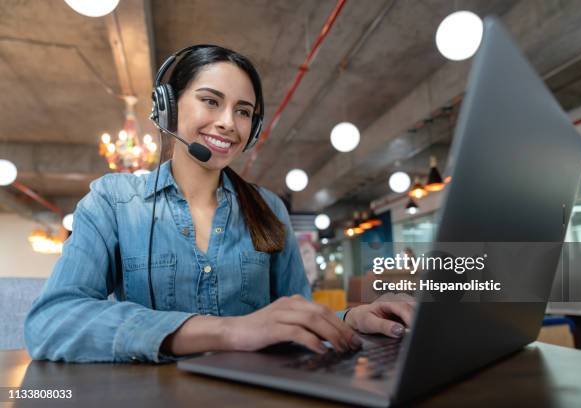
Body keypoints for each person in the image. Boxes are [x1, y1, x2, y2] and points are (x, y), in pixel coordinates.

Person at [24, 45, 414, 363]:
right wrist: (227, 330)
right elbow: (51, 322)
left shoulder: (269, 208)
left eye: (243, 111)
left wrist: (353, 318)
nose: (229, 122)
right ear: (168, 107)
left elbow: (297, 311)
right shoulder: (113, 201)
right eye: (211, 101)